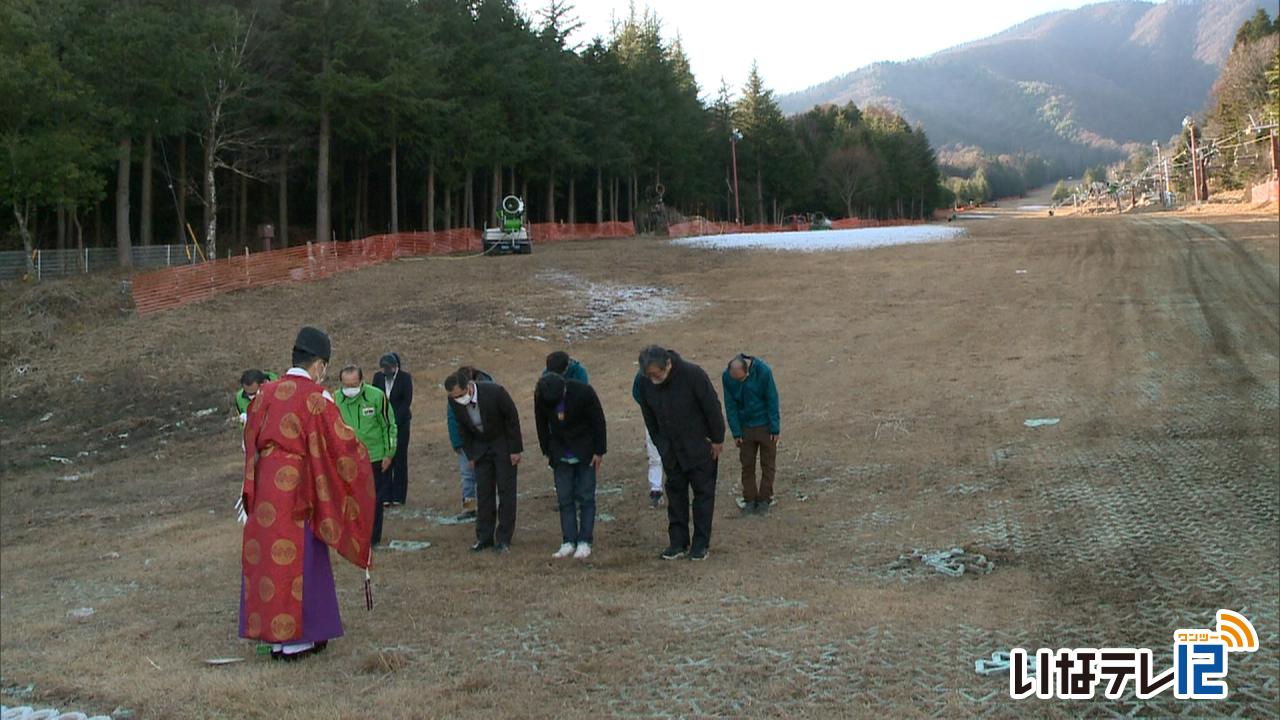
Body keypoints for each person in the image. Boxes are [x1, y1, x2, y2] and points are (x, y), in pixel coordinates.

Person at [239, 326, 374, 661]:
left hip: (266, 482)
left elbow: (249, 440)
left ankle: (275, 640)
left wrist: (251, 485)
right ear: (319, 365)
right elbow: (342, 446)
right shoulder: (316, 397)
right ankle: (298, 640)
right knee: (299, 558)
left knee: (268, 560)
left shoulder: (265, 394)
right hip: (299, 485)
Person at [635, 345, 725, 561]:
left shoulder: (693, 375)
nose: (654, 379)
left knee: (703, 496)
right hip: (671, 451)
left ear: (668, 364)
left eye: (657, 374)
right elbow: (649, 416)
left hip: (699, 447)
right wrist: (660, 444)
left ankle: (700, 545)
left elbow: (712, 407)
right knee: (675, 495)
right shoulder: (643, 382)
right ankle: (677, 543)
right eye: (650, 376)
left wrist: (717, 439)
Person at [445, 368, 523, 553]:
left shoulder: (495, 392)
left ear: (469, 387)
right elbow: (462, 428)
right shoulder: (454, 401)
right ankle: (484, 537)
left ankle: (503, 538)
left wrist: (515, 450)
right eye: (455, 397)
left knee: (506, 491)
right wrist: (470, 454)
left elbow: (512, 419)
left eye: (461, 395)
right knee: (484, 493)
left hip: (502, 446)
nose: (459, 399)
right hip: (480, 449)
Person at [534, 373, 606, 560]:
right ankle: (568, 541)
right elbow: (541, 424)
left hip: (585, 452)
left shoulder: (584, 392)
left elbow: (598, 421)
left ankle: (585, 541)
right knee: (564, 499)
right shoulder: (541, 395)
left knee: (586, 497)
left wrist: (599, 451)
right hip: (560, 454)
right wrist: (548, 451)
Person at [335, 365, 397, 546]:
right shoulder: (334, 399)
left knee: (374, 499)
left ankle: (373, 539)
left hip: (375, 457)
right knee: (350, 498)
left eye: (353, 384)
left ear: (361, 381)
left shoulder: (377, 396)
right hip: (348, 459)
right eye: (346, 385)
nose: (350, 389)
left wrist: (389, 453)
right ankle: (353, 535)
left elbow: (389, 425)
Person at [722, 354, 781, 515]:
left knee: (767, 464)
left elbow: (772, 399)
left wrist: (774, 428)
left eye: (741, 379)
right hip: (745, 428)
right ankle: (749, 499)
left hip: (765, 426)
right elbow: (730, 404)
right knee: (747, 465)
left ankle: (765, 498)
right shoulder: (728, 377)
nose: (738, 383)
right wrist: (736, 432)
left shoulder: (764, 372)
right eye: (735, 380)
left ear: (747, 371)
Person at [446, 366, 493, 520]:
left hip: (485, 442)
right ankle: (470, 507)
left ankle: (489, 505)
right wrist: (459, 444)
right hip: (465, 443)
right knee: (468, 475)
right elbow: (454, 421)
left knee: (486, 474)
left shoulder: (488, 391)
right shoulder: (455, 397)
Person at [372, 353, 412, 505]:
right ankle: (385, 496)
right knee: (384, 459)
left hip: (401, 424)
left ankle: (398, 497)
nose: (385, 371)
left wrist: (392, 420)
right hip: (382, 425)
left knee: (400, 459)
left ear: (395, 367)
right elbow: (374, 398)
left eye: (388, 368)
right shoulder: (378, 378)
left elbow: (406, 401)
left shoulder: (405, 378)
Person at [632, 372, 664, 508]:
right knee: (654, 452)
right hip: (653, 417)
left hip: (670, 416)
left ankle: (658, 488)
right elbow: (637, 393)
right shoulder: (642, 377)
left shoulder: (642, 375)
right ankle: (656, 488)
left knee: (657, 453)